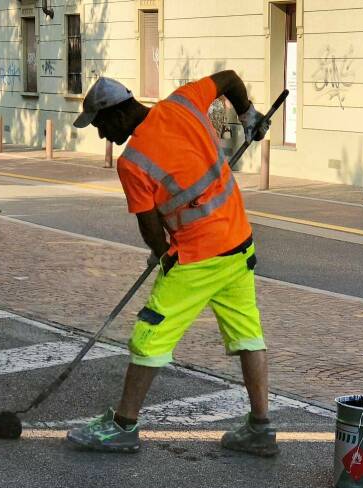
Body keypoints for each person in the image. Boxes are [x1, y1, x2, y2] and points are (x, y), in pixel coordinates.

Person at [65, 72, 276, 456]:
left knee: (149, 338)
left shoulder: (132, 163)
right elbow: (229, 79)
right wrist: (248, 114)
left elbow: (150, 228)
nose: (101, 135)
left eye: (99, 125)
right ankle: (260, 428)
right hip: (238, 243)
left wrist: (161, 254)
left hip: (197, 259)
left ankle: (122, 426)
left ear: (118, 113)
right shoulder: (183, 101)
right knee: (248, 335)